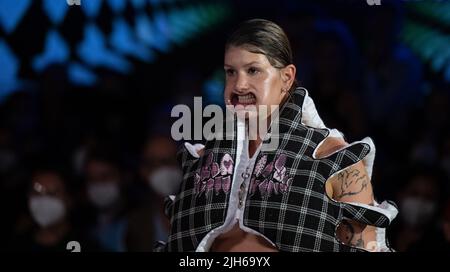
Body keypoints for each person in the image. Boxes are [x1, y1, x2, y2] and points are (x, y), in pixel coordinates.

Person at [160, 19, 398, 252]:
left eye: (253, 70)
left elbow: (369, 247)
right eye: (231, 72)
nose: (239, 85)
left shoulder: (335, 161)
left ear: (286, 78)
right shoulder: (202, 161)